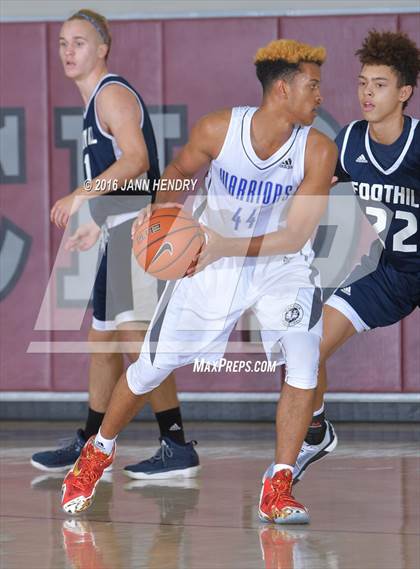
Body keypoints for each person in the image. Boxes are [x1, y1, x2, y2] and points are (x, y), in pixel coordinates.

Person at [61, 37, 338, 523]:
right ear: (281, 90)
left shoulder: (317, 149)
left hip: (280, 265)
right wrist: (159, 217)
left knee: (302, 353)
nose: (320, 96)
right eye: (312, 86)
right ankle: (96, 454)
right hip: (211, 263)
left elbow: (295, 235)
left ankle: (279, 483)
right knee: (150, 366)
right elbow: (176, 170)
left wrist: (220, 245)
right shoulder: (218, 130)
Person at [31, 9, 199, 479]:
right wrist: (97, 221)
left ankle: (176, 443)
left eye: (79, 42)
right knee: (101, 344)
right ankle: (91, 444)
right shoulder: (93, 105)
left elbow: (138, 161)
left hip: (139, 233)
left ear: (103, 48)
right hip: (118, 228)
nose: (68, 51)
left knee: (136, 341)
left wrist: (80, 195)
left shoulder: (113, 95)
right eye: (63, 42)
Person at [292, 30, 420, 483]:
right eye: (363, 82)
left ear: (404, 92)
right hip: (392, 274)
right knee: (305, 343)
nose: (367, 92)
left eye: (379, 84)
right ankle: (315, 430)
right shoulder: (348, 141)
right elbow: (315, 188)